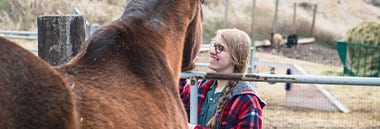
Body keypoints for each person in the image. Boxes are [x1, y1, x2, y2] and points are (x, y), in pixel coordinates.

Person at [179, 28, 266, 129]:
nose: (211, 51)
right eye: (213, 46)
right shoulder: (198, 87)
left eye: (219, 48)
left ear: (235, 56)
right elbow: (173, 107)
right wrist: (182, 70)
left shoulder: (248, 101)